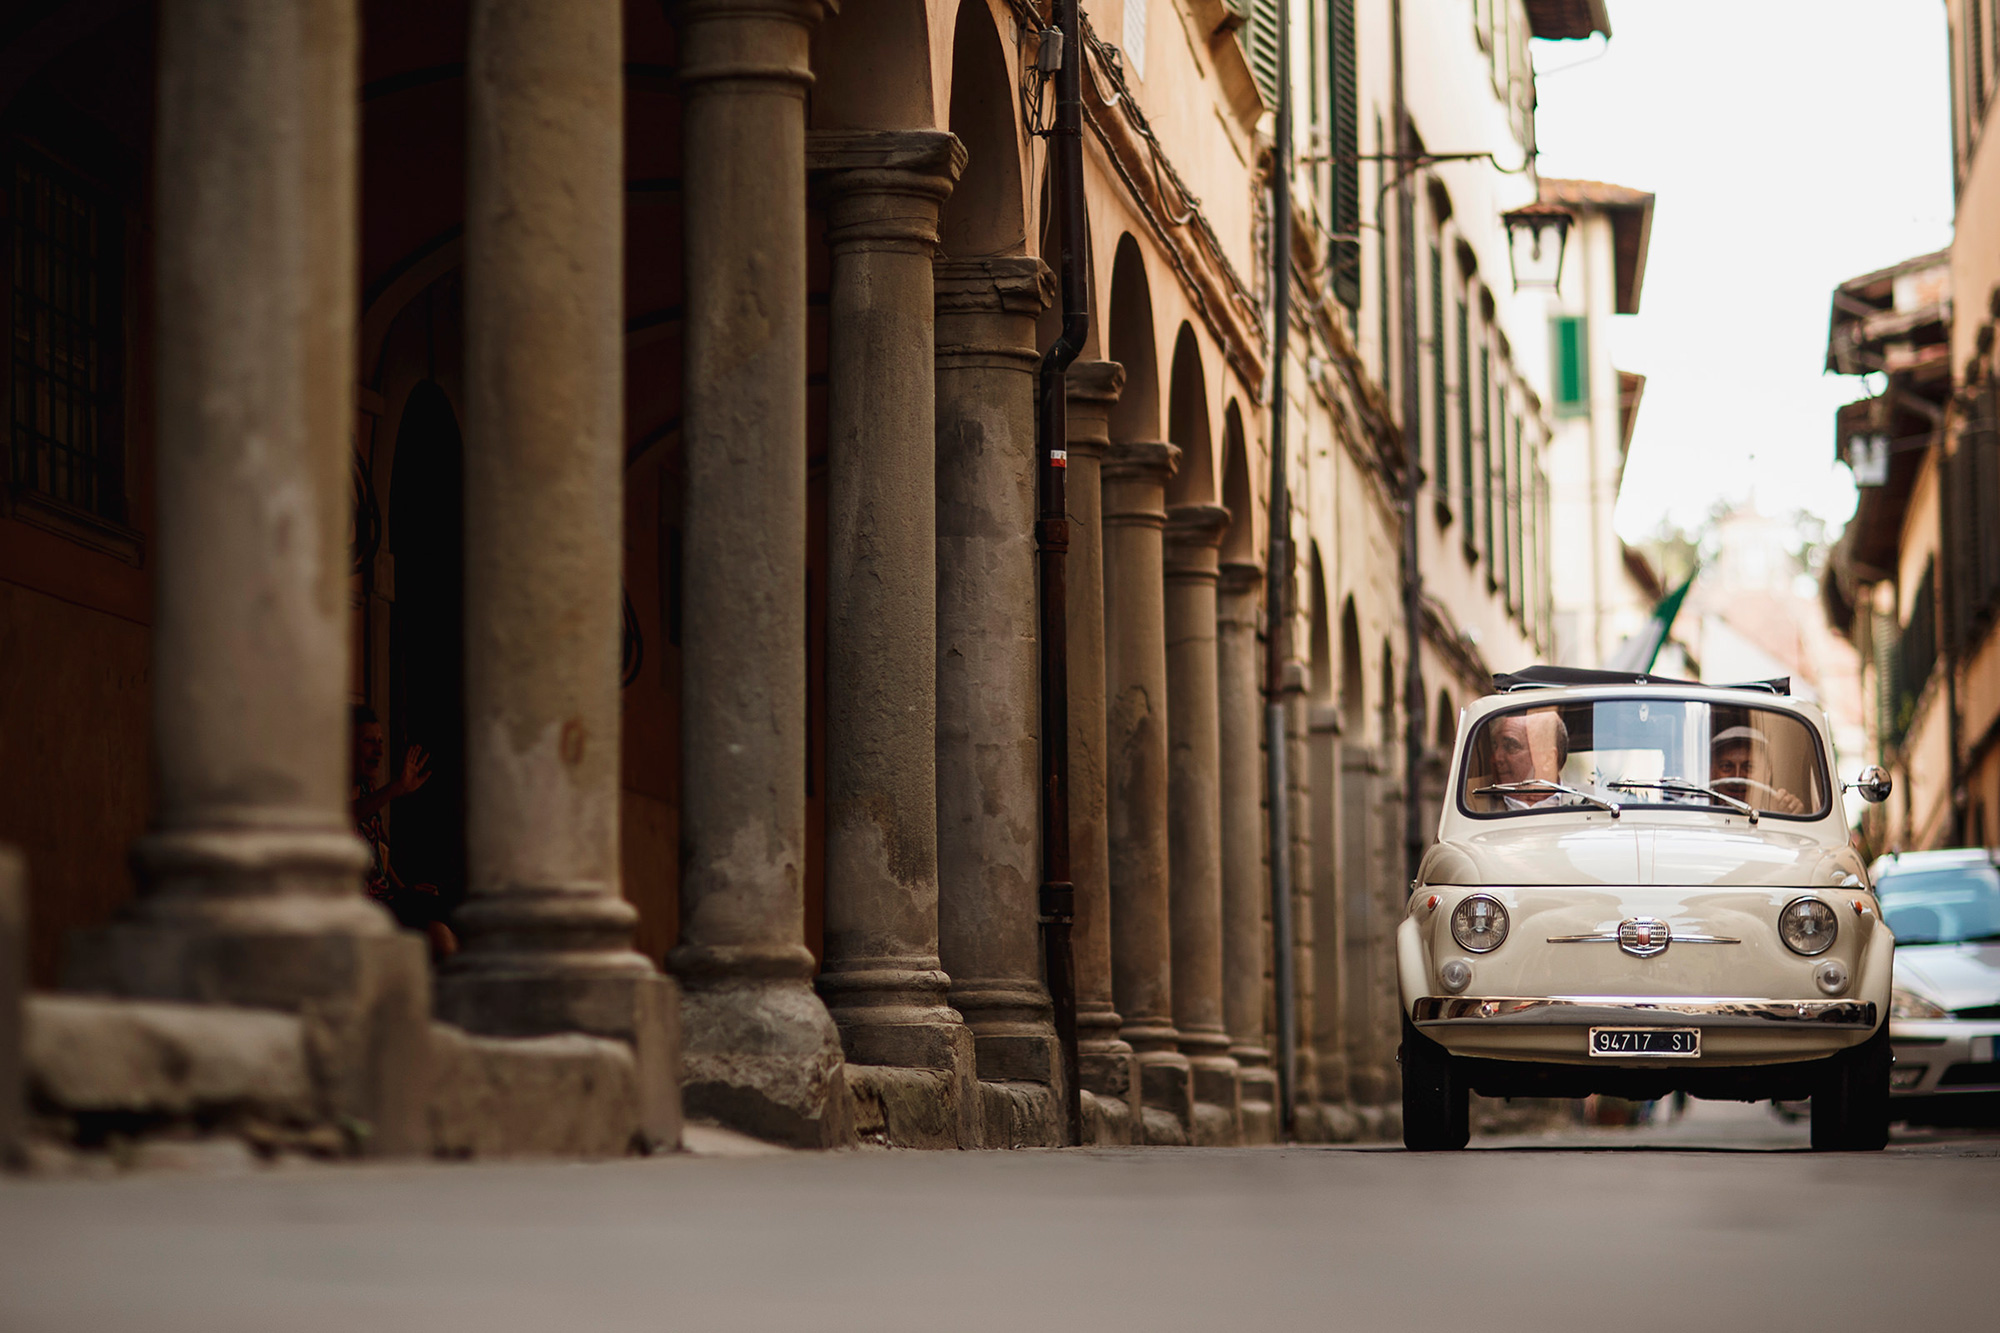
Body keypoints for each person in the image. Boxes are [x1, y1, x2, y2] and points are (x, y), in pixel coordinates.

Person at [351, 705, 457, 959]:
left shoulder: (368, 791)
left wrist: (403, 889)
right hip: (362, 907)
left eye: (380, 742)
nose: (379, 750)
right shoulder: (331, 794)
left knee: (445, 917)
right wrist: (395, 789)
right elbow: (345, 816)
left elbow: (380, 855)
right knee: (443, 931)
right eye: (368, 742)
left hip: (388, 899)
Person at [1709, 725, 1805, 815]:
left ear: (1767, 773)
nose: (1737, 776)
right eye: (1726, 766)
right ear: (1712, 772)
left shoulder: (1779, 813)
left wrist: (1789, 812)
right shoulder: (1698, 815)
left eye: (1749, 767)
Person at [1489, 707, 1572, 809]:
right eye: (1494, 747)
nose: (1496, 758)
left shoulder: (1590, 802)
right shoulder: (1473, 807)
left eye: (1510, 746)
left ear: (1548, 759)